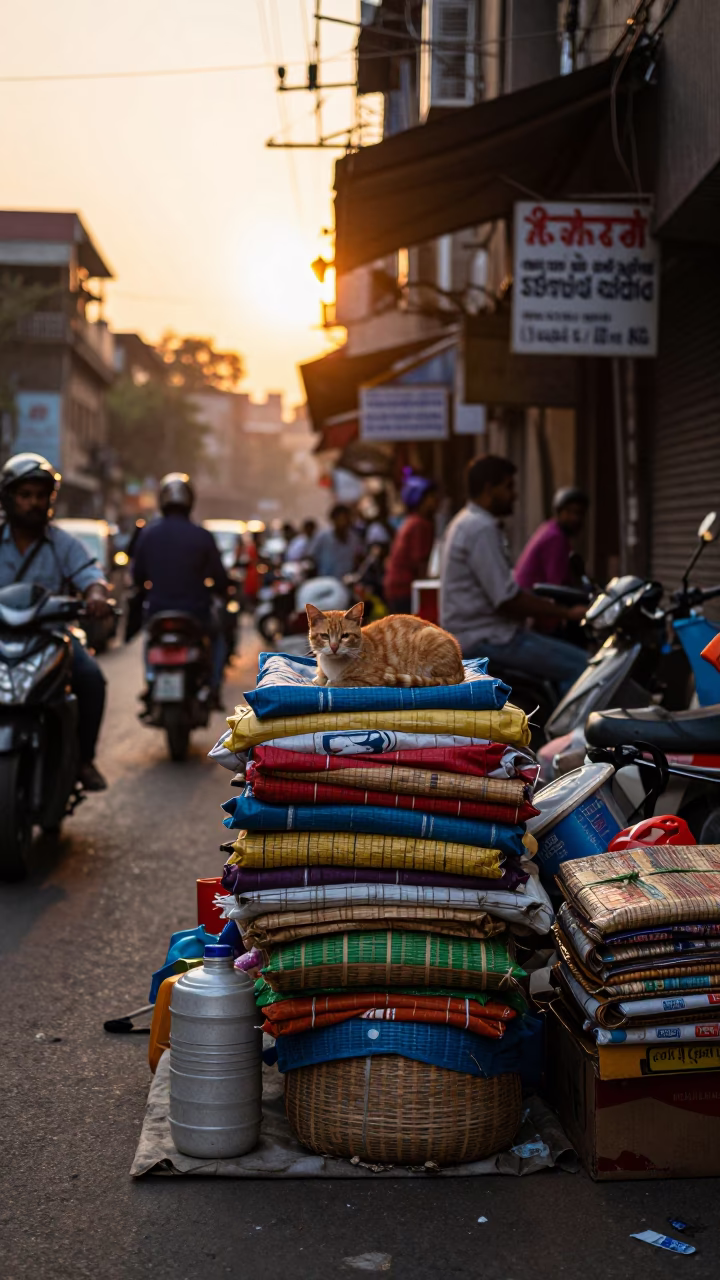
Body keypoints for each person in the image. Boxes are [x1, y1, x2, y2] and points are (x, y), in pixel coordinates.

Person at [0, 453, 112, 791]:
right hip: (2, 638)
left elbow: (90, 574)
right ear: (9, 497)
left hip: (52, 638)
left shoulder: (64, 544)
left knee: (92, 679)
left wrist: (96, 595)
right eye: (25, 495)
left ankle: (83, 761)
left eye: (40, 495)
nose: (33, 503)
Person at [440, 455, 588, 691]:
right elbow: (507, 599)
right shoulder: (480, 528)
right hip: (487, 638)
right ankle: (570, 729)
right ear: (489, 489)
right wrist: (568, 613)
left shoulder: (465, 522)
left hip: (478, 634)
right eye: (508, 487)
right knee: (582, 667)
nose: (515, 495)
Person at [132, 473, 229, 701]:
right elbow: (219, 576)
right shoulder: (202, 535)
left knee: (149, 641)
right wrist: (220, 589)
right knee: (218, 639)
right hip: (196, 611)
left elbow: (137, 577)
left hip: (156, 610)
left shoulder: (148, 534)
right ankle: (213, 687)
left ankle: (151, 679)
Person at [383, 471, 439, 614]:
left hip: (397, 587)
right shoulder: (419, 524)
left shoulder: (412, 521)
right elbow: (419, 561)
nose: (436, 500)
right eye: (431, 497)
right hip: (404, 589)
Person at [515, 487, 589, 590]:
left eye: (579, 513)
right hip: (530, 600)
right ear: (559, 512)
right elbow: (557, 586)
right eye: (569, 512)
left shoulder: (551, 529)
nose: (575, 518)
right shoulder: (555, 538)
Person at [310, 504, 363, 579]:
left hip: (346, 580)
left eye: (347, 518)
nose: (344, 522)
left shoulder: (353, 538)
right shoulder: (322, 536)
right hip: (326, 580)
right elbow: (312, 557)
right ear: (333, 519)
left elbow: (357, 557)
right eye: (341, 519)